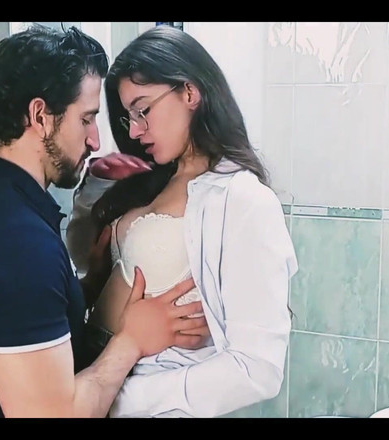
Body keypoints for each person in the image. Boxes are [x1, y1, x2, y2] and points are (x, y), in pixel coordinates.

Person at [0, 24, 208, 418]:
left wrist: (89, 286)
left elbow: (19, 313)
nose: (95, 140)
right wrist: (132, 340)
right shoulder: (20, 244)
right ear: (40, 116)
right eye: (86, 119)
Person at [65, 25, 299, 418]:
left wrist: (120, 399)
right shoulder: (150, 180)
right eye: (128, 117)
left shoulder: (243, 200)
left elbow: (258, 369)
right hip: (89, 379)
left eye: (143, 110)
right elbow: (80, 258)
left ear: (190, 93)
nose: (134, 130)